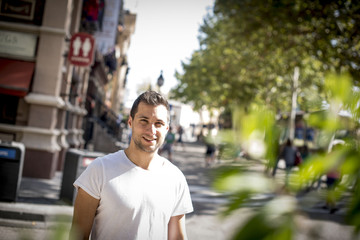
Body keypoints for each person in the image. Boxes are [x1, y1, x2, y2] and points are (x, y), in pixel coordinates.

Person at [70, 91, 193, 240]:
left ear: (166, 129)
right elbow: (77, 235)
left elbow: (178, 237)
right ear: (130, 122)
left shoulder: (176, 178)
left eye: (158, 123)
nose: (151, 130)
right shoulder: (99, 169)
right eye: (144, 121)